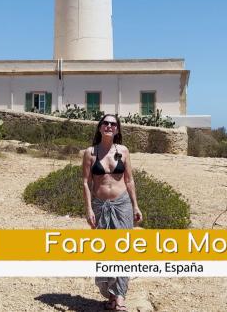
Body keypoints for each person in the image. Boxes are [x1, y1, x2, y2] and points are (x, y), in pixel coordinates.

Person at [82, 114, 142, 311]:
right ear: (100, 127)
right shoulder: (90, 152)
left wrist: (135, 205)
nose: (109, 126)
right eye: (106, 123)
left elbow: (129, 180)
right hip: (100, 206)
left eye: (113, 124)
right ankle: (110, 294)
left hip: (122, 204)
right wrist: (89, 208)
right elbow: (86, 182)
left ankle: (120, 296)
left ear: (117, 129)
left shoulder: (123, 151)